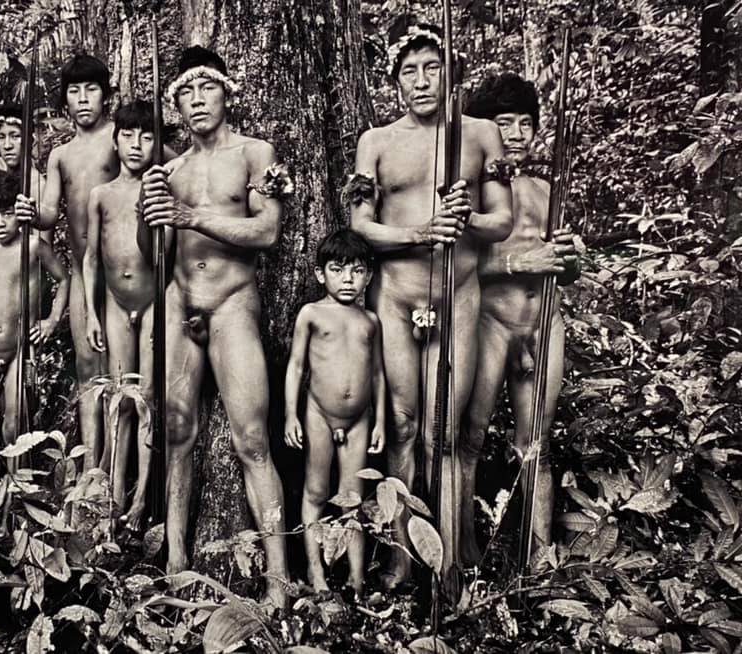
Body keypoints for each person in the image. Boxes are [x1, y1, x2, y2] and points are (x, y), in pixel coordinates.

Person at [349, 22, 513, 588]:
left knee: (443, 431)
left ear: (450, 74)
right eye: (409, 72)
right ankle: (399, 556)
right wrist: (419, 232)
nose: (421, 81)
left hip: (458, 296)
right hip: (396, 296)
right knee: (401, 425)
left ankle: (451, 561)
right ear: (395, 81)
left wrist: (468, 217)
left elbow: (502, 220)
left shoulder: (482, 135)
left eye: (432, 68)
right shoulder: (376, 142)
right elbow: (360, 226)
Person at [139, 45, 290, 607]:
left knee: (252, 440)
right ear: (175, 105)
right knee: (177, 435)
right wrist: (149, 210)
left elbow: (267, 232)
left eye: (206, 88)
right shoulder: (170, 169)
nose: (197, 100)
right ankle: (176, 564)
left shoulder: (255, 153)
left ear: (227, 94)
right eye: (185, 92)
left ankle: (278, 580)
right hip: (181, 304)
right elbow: (154, 255)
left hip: (232, 304)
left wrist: (192, 216)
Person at [460, 72, 580, 564]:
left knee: (537, 445)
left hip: (544, 324)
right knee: (468, 439)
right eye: (504, 123)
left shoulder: (547, 191)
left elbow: (566, 272)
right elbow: (463, 268)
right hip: (491, 323)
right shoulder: (475, 194)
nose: (515, 134)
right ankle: (464, 549)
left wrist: (567, 257)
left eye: (525, 123)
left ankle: (539, 557)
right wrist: (521, 261)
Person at [15, 55, 119, 469]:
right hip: (80, 272)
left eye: (91, 89)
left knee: (122, 369)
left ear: (106, 95)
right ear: (65, 101)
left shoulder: (121, 137)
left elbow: (169, 163)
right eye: (75, 91)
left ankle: (117, 468)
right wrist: (30, 211)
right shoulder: (60, 155)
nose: (83, 98)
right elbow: (48, 213)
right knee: (88, 368)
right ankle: (92, 469)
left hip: (123, 273)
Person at [284, 229, 386, 599]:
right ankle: (317, 575)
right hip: (318, 414)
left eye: (357, 271)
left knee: (352, 497)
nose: (347, 279)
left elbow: (377, 374)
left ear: (368, 276)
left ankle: (357, 580)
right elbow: (296, 367)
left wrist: (380, 421)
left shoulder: (370, 321)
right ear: (319, 273)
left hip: (359, 420)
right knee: (316, 491)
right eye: (337, 269)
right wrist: (291, 416)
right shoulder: (312, 314)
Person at [0, 171, 69, 503]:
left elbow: (64, 279)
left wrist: (51, 320)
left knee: (13, 423)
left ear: (19, 213)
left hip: (21, 347)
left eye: (7, 214)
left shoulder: (34, 247)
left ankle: (12, 499)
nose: (0, 222)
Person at [83, 99, 161, 531]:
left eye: (147, 137)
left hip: (151, 304)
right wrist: (92, 314)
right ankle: (113, 494)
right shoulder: (101, 195)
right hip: (114, 303)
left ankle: (142, 496)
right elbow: (92, 258)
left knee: (146, 397)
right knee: (119, 399)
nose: (136, 145)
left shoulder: (160, 187)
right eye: (128, 135)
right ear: (115, 141)